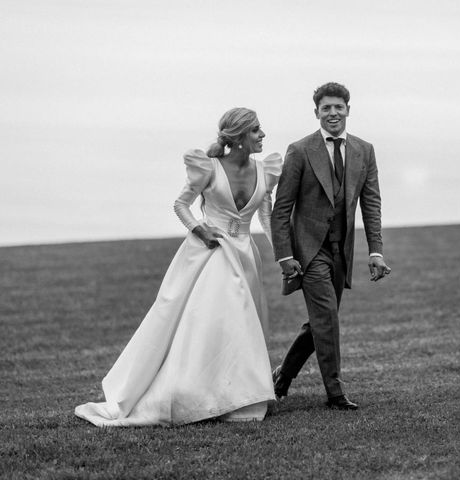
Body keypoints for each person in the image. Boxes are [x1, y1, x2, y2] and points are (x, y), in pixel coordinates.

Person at [74, 108, 282, 426]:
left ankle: (235, 397)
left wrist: (283, 253)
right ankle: (193, 393)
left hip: (244, 256)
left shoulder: (266, 170)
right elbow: (180, 204)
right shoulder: (208, 167)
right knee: (216, 320)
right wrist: (199, 228)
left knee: (239, 327)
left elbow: (266, 216)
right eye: (256, 130)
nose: (262, 135)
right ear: (240, 137)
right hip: (210, 254)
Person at [270, 82, 391, 410]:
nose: (333, 113)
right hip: (309, 251)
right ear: (317, 113)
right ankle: (335, 393)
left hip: (342, 250)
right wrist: (284, 255)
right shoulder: (300, 150)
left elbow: (371, 203)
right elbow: (281, 208)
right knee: (327, 320)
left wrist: (375, 251)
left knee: (321, 321)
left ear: (348, 110)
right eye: (327, 108)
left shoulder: (364, 151)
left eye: (339, 107)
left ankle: (281, 377)